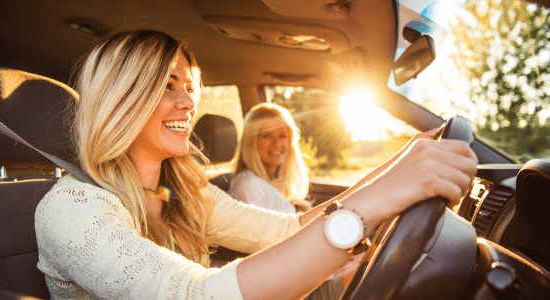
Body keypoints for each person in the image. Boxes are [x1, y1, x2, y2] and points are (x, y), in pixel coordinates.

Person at [34, 29, 478, 300]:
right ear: (121, 98)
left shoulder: (186, 193)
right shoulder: (71, 209)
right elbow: (197, 295)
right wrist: (378, 199)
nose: (188, 102)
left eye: (190, 87)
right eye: (167, 85)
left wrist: (398, 167)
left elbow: (285, 231)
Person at [228, 103, 312, 214]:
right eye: (267, 135)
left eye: (282, 135)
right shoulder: (248, 187)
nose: (276, 143)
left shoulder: (278, 184)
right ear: (251, 142)